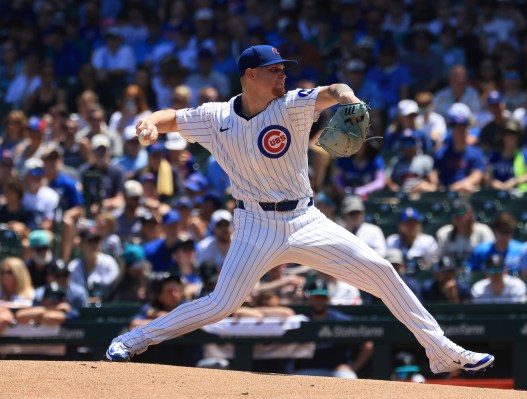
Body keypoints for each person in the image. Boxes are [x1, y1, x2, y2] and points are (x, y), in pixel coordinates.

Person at [106, 44, 494, 374]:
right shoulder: (216, 117)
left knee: (381, 271)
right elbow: (169, 118)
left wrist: (350, 99)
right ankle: (133, 339)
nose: (283, 77)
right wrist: (148, 124)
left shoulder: (292, 106)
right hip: (255, 223)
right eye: (274, 71)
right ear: (250, 75)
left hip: (305, 219)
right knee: (221, 304)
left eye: (283, 70)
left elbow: (334, 89)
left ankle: (441, 351)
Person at [294, 284, 373, 378]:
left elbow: (368, 344)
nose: (319, 301)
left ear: (328, 299)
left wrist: (353, 367)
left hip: (337, 369)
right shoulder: (303, 320)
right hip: (309, 369)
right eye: (316, 297)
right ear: (310, 299)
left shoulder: (340, 320)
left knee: (348, 377)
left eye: (323, 297)